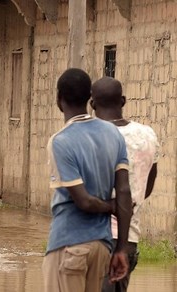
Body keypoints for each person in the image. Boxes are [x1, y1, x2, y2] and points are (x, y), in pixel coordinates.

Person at [43, 68, 133, 292]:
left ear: (58, 99)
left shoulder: (60, 141)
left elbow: (83, 201)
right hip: (101, 247)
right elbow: (124, 192)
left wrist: (109, 207)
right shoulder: (113, 134)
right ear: (88, 99)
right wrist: (121, 248)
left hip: (69, 244)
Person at [91, 77, 160, 292]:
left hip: (93, 237)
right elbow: (147, 185)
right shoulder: (147, 135)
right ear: (123, 101)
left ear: (92, 104)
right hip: (128, 239)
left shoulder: (90, 135)